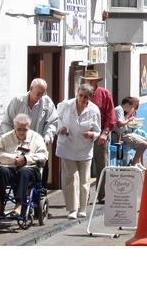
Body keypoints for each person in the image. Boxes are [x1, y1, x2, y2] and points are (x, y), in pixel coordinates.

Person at [0, 78, 58, 187]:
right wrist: (12, 139)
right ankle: (19, 198)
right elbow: (6, 122)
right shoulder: (17, 101)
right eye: (38, 93)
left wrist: (47, 136)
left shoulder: (46, 102)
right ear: (31, 89)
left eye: (43, 93)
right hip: (17, 146)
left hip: (36, 145)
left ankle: (39, 194)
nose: (41, 96)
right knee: (17, 173)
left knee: (39, 170)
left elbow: (53, 121)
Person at [55, 84, 101, 219]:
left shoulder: (94, 110)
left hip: (84, 148)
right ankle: (72, 209)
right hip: (67, 146)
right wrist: (61, 128)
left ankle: (82, 208)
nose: (82, 98)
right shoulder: (66, 105)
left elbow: (97, 130)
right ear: (77, 94)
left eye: (86, 96)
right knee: (70, 178)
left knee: (84, 180)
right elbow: (55, 119)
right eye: (80, 95)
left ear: (90, 97)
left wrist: (92, 134)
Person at [0, 114, 48, 217]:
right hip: (9, 167)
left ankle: (19, 205)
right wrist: (13, 158)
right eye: (19, 129)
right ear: (14, 126)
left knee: (23, 172)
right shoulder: (5, 138)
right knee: (2, 171)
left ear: (29, 127)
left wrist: (26, 159)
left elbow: (43, 155)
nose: (21, 132)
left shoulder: (37, 137)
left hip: (29, 169)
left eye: (24, 129)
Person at [81, 69, 115, 204]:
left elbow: (110, 116)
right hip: (83, 135)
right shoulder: (80, 94)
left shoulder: (105, 94)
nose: (89, 82)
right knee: (84, 165)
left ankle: (102, 194)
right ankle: (84, 196)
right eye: (87, 80)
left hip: (100, 133)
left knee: (101, 163)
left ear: (96, 81)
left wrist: (105, 133)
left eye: (92, 80)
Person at [114, 96, 147, 166]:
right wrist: (129, 120)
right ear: (127, 104)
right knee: (144, 145)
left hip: (125, 132)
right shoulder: (118, 110)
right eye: (131, 107)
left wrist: (129, 115)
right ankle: (134, 163)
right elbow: (120, 124)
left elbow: (123, 120)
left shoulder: (121, 110)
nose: (131, 109)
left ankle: (138, 162)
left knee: (144, 140)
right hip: (122, 134)